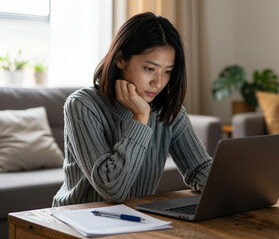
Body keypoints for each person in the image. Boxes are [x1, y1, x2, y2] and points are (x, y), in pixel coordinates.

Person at [53, 12, 212, 206]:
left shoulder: (169, 112)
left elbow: (198, 169)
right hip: (76, 221)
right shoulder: (82, 105)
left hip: (134, 219)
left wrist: (236, 187)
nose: (158, 82)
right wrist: (140, 116)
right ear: (120, 59)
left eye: (167, 71)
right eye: (149, 69)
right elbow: (112, 190)